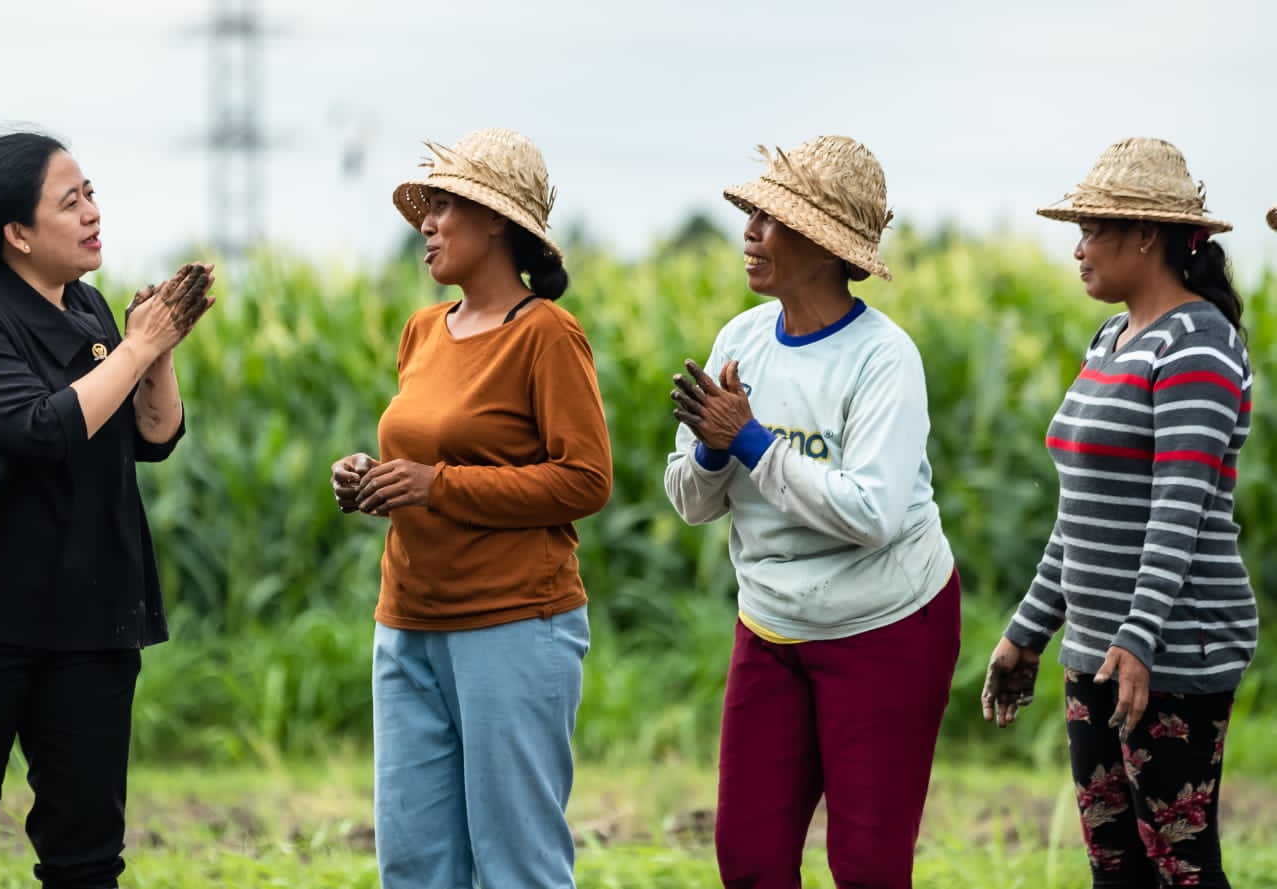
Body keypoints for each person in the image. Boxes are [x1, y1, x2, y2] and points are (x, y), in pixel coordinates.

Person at [0, 131, 215, 889]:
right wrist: (135, 348)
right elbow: (42, 428)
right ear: (17, 233)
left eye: (91, 192)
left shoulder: (91, 311)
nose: (94, 212)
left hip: (86, 625)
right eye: (71, 201)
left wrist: (156, 351)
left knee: (88, 862)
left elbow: (154, 437)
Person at [664, 136, 960, 889]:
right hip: (770, 624)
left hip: (885, 625)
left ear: (826, 247)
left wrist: (751, 440)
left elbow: (872, 513)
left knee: (866, 866)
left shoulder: (882, 358)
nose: (749, 233)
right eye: (751, 215)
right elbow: (691, 502)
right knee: (750, 859)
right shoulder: (740, 339)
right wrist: (709, 451)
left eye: (771, 219)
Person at [329, 127, 612, 889]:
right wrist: (371, 477)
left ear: (495, 220)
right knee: (415, 863)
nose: (426, 224)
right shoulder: (423, 330)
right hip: (407, 622)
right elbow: (421, 459)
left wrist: (436, 484)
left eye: (445, 205)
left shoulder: (546, 336)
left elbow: (585, 480)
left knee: (516, 865)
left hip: (514, 625)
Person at [983, 137, 1258, 889]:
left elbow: (1178, 506)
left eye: (1092, 230)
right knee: (1115, 865)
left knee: (1180, 865)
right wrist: (1028, 630)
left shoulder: (1197, 343)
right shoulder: (1112, 338)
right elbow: (1080, 517)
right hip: (1101, 650)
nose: (1077, 249)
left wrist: (1138, 640)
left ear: (1145, 234)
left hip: (1173, 649)